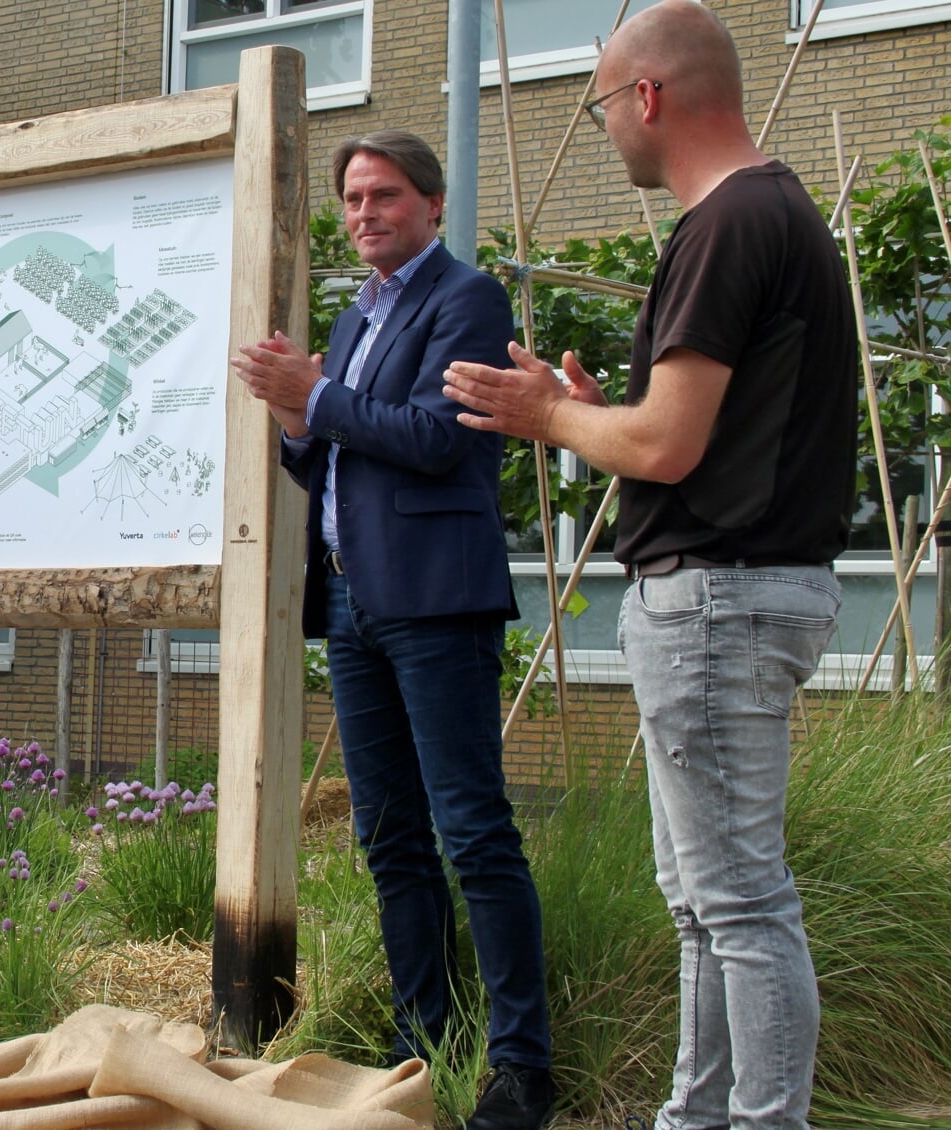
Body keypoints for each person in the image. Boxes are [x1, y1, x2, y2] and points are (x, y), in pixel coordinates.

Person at [443, 5, 853, 1127]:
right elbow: (697, 432)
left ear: (650, 98)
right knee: (703, 901)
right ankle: (696, 1113)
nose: (606, 126)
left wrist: (547, 416)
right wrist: (585, 411)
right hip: (742, 586)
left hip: (717, 597)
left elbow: (665, 445)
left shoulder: (727, 223)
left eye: (601, 104)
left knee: (740, 902)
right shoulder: (778, 212)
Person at [232, 131, 553, 1130]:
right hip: (354, 600)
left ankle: (520, 1067)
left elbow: (432, 441)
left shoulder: (466, 298)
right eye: (354, 198)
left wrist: (316, 397)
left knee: (471, 828)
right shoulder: (355, 313)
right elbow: (333, 464)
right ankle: (426, 1044)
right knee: (388, 835)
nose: (364, 212)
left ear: (432, 204)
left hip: (435, 598)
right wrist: (298, 426)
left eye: (384, 195)